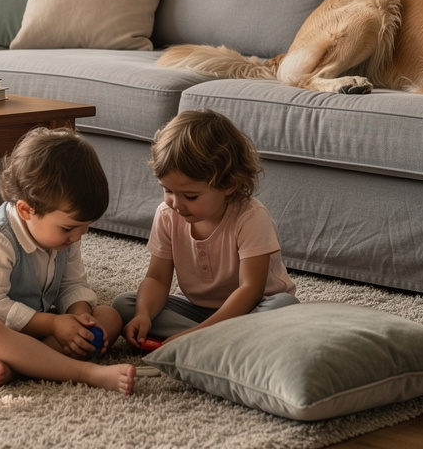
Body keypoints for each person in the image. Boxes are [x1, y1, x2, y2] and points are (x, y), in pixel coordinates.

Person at [0, 128, 136, 395]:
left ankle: (22, 365)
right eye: (69, 228)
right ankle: (86, 373)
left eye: (85, 228)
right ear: (26, 210)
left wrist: (78, 314)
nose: (78, 237)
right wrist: (54, 325)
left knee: (108, 316)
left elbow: (72, 283)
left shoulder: (67, 236)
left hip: (33, 323)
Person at [115, 109, 298, 348]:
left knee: (284, 307)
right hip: (197, 310)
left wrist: (196, 334)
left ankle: (204, 339)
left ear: (229, 185)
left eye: (190, 196)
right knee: (125, 305)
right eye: (168, 190)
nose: (176, 204)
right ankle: (222, 341)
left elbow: (250, 289)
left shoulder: (250, 217)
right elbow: (157, 279)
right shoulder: (167, 214)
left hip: (253, 308)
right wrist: (143, 315)